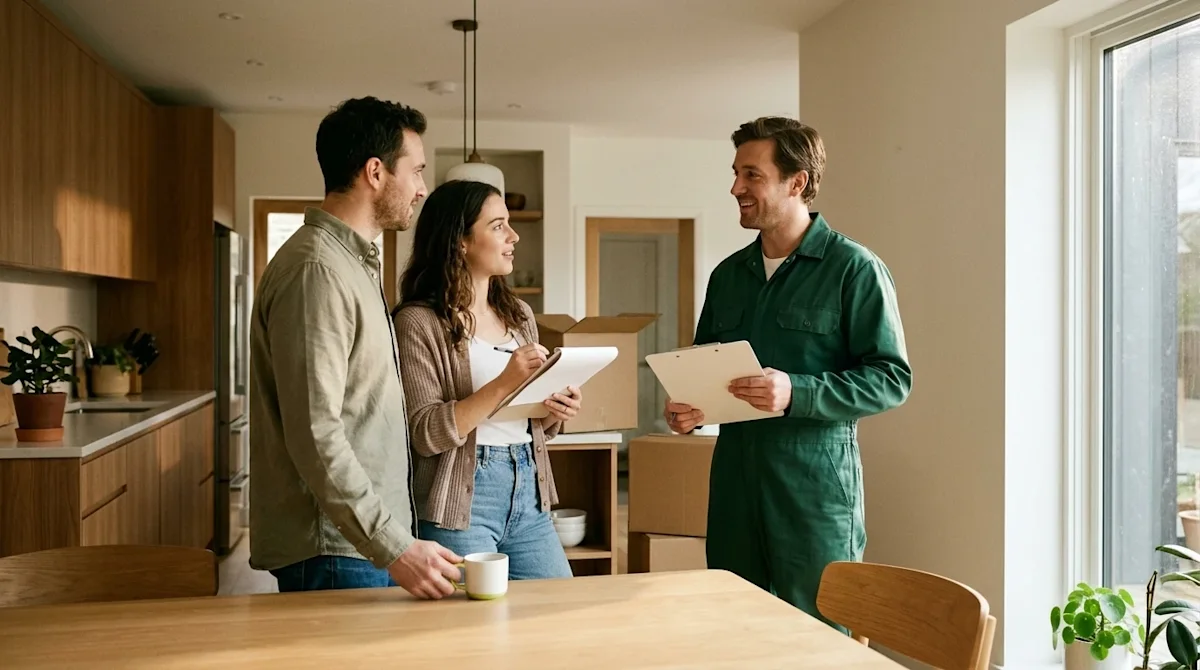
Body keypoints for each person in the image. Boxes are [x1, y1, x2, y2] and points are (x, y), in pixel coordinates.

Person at [664, 117, 912, 628]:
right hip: (734, 479)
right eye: (735, 174)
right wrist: (689, 407)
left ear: (796, 182)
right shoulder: (728, 276)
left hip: (814, 487)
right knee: (735, 624)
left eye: (751, 175)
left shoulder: (854, 269)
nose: (736, 188)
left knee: (817, 629)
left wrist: (795, 391)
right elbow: (704, 367)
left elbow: (891, 378)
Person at [249, 96, 464, 597]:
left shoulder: (352, 265)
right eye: (416, 171)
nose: (422, 188)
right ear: (375, 172)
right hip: (336, 551)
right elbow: (315, 433)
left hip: (355, 545)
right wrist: (393, 546)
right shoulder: (317, 271)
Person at [392, 179, 581, 581]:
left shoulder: (519, 315)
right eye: (498, 226)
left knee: (555, 609)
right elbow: (424, 433)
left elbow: (525, 421)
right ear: (459, 241)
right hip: (461, 501)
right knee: (472, 629)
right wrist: (503, 383)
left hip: (529, 491)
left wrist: (553, 411)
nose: (513, 236)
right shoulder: (418, 323)